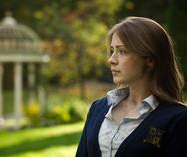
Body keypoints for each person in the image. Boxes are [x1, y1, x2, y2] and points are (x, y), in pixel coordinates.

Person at [75, 16, 187, 157]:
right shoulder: (97, 108)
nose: (111, 60)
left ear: (150, 60)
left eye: (122, 51)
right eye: (112, 51)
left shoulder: (177, 119)